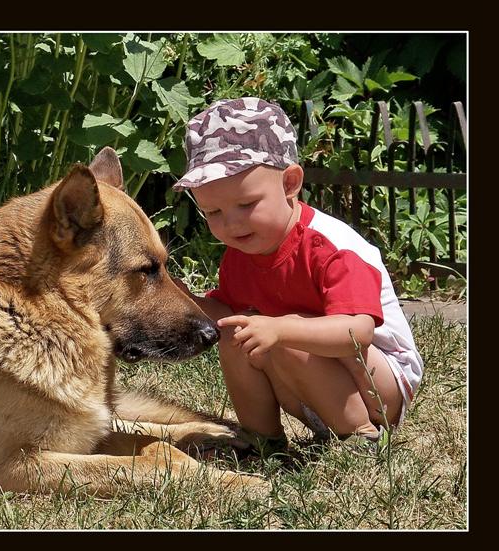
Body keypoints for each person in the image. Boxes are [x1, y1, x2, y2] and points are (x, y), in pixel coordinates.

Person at [172, 97, 424, 456]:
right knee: (238, 333)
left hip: (379, 387)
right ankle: (262, 440)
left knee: (285, 333)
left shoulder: (332, 247)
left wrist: (281, 329)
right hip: (310, 377)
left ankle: (362, 437)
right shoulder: (243, 253)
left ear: (290, 183)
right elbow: (228, 312)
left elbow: (358, 332)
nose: (231, 223)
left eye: (247, 204)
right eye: (213, 212)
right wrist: (187, 302)